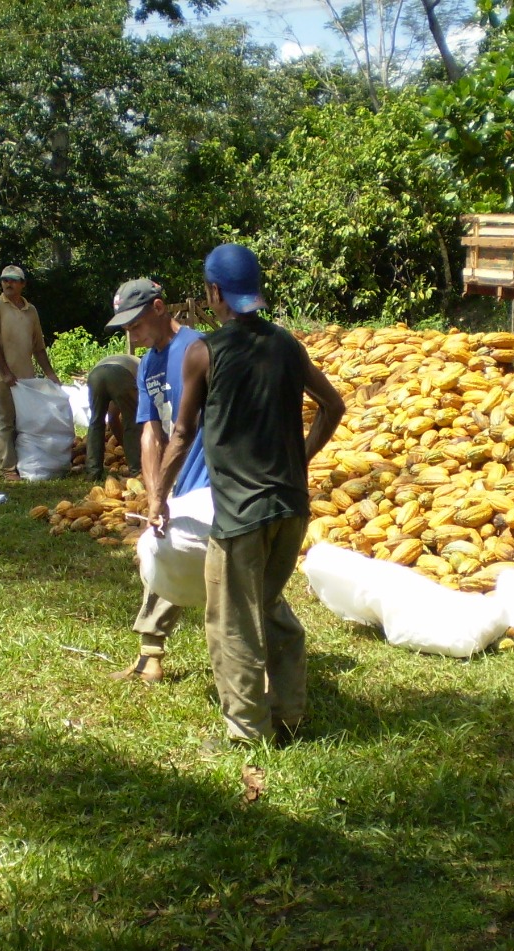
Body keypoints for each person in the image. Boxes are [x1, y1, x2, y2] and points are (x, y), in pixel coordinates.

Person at [151, 245, 345, 744]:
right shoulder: (286, 345)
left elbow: (181, 434)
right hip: (291, 508)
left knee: (232, 621)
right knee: (269, 601)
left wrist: (159, 497)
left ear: (214, 292)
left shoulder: (205, 352)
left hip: (241, 515)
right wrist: (298, 460)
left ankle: (246, 730)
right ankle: (289, 713)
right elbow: (333, 405)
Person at [102, 279, 208, 684]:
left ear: (160, 307)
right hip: (177, 486)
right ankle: (149, 658)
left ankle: (277, 655)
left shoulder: (198, 349)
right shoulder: (148, 362)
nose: (132, 335)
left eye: (136, 324)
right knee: (164, 552)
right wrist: (154, 494)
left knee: (236, 576)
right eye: (125, 328)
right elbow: (150, 432)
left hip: (213, 485)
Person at [0, 264, 61, 482]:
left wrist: (50, 373)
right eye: (5, 279)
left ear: (23, 284)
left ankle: (25, 465)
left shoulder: (30, 310)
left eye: (13, 280)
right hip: (1, 375)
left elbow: (39, 346)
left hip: (25, 377)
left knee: (25, 422)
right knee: (4, 421)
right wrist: (5, 372)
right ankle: (7, 469)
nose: (8, 283)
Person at [84, 354, 141, 480]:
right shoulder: (141, 365)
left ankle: (92, 472)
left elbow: (113, 418)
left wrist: (124, 445)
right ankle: (137, 470)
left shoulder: (127, 359)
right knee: (132, 421)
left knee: (96, 422)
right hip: (120, 375)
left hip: (96, 375)